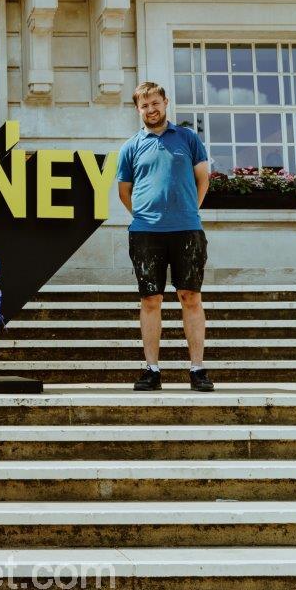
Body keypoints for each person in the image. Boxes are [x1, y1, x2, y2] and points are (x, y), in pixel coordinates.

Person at [116, 81, 214, 393]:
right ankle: (152, 370)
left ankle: (198, 370)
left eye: (155, 103)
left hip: (186, 229)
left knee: (191, 297)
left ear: (165, 102)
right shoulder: (130, 147)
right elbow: (124, 191)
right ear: (138, 110)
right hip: (146, 232)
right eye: (144, 105)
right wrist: (145, 215)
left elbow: (203, 178)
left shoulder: (187, 138)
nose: (151, 109)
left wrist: (188, 210)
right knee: (150, 300)